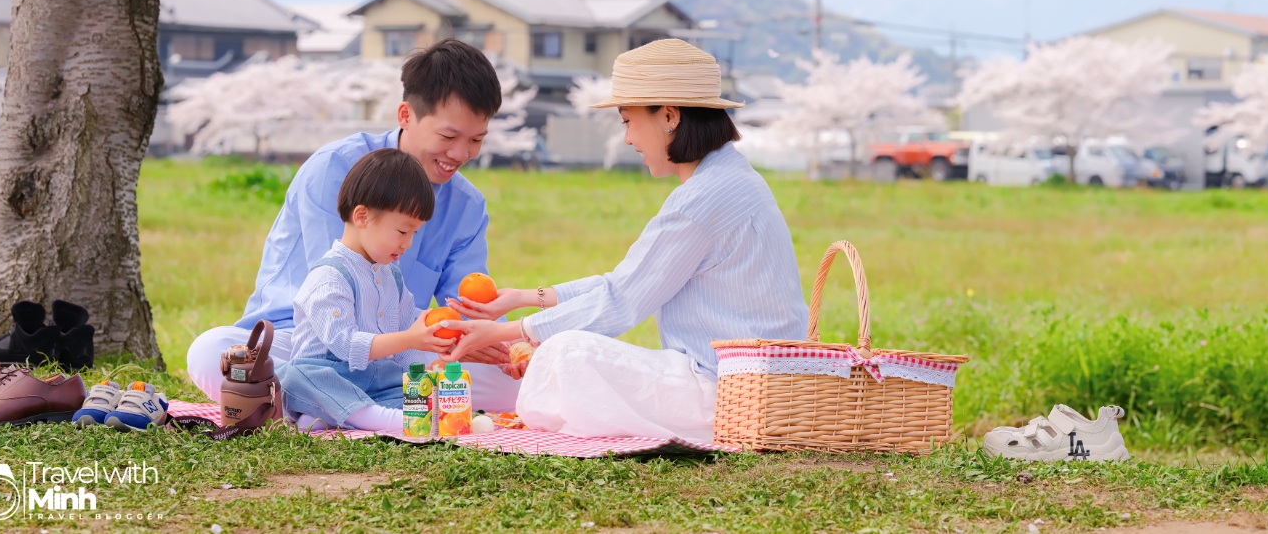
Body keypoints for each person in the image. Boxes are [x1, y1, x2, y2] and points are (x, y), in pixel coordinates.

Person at [450, 39, 809, 442]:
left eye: (627, 120)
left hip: (729, 392)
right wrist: (523, 297)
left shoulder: (702, 199)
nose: (626, 138)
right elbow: (623, 283)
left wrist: (506, 332)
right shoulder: (728, 179)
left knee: (566, 352)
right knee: (558, 354)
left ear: (669, 115)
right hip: (757, 386)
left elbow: (621, 301)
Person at [185, 39, 519, 409]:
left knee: (513, 383)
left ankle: (321, 408)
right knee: (210, 350)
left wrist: (494, 341)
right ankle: (362, 406)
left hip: (395, 349)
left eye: (476, 140)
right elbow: (336, 296)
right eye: (448, 136)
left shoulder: (467, 206)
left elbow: (470, 305)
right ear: (406, 115)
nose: (461, 154)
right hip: (302, 343)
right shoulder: (337, 169)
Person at [278, 147, 460, 434]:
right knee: (296, 376)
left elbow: (405, 344)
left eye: (414, 233)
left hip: (373, 382)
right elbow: (346, 346)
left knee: (410, 385)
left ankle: (341, 418)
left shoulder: (392, 277)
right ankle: (379, 419)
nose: (408, 243)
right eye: (402, 232)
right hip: (327, 379)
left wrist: (421, 373)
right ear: (362, 216)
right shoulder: (329, 276)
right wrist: (409, 337)